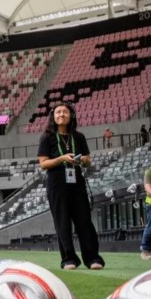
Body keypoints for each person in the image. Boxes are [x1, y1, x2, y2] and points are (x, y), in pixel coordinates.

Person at [37, 102, 103, 270]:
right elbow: (43, 164)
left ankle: (92, 258)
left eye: (65, 112)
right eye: (58, 112)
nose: (61, 115)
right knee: (63, 222)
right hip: (57, 184)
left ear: (70, 115)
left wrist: (84, 160)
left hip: (77, 182)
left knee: (84, 221)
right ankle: (69, 259)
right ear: (53, 116)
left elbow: (88, 161)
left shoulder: (78, 136)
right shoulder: (47, 137)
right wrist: (62, 159)